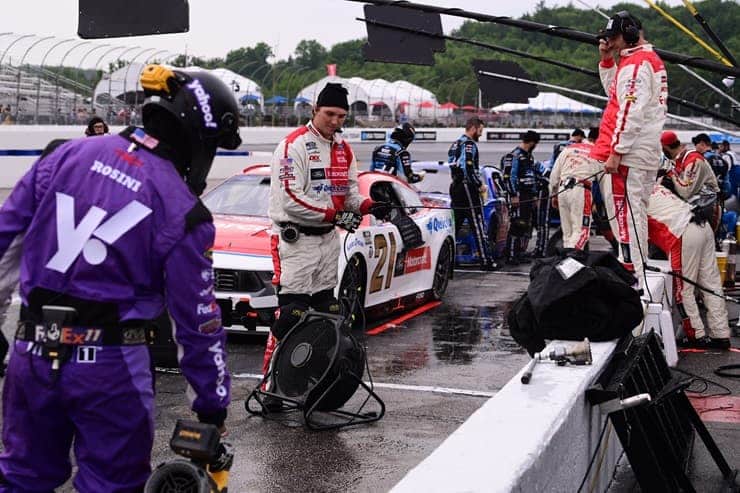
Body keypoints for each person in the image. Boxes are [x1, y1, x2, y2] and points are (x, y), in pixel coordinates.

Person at [0, 64, 239, 491]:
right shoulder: (184, 209)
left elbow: (5, 238)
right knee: (113, 485)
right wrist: (212, 408)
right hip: (109, 365)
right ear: (198, 135)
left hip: (31, 352)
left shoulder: (64, 154)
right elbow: (199, 324)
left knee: (20, 479)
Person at [262, 82, 391, 387]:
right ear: (315, 110)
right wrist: (335, 214)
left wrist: (371, 205)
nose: (335, 121)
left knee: (326, 314)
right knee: (292, 315)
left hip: (328, 241)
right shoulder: (292, 145)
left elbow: (348, 196)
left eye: (342, 116)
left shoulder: (344, 149)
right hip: (296, 242)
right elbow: (291, 200)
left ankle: (308, 385)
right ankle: (269, 387)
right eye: (330, 113)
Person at [590, 10, 668, 289]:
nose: (610, 41)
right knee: (636, 211)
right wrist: (606, 59)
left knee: (629, 213)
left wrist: (616, 151)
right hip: (643, 149)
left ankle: (635, 273)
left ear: (630, 34)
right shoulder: (642, 61)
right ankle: (639, 264)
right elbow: (615, 93)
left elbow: (629, 111)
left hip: (632, 151)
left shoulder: (636, 65)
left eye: (613, 37)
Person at [648, 180, 731, 349]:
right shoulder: (654, 185)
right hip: (701, 225)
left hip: (683, 234)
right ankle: (721, 334)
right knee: (712, 285)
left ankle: (696, 336)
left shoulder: (631, 194)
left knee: (683, 290)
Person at [448, 117, 494, 268]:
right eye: (480, 130)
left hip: (455, 187)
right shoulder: (469, 144)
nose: (480, 134)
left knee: (456, 225)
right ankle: (486, 261)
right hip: (467, 187)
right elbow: (467, 168)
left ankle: (450, 261)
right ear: (473, 128)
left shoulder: (455, 144)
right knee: (477, 224)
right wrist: (479, 184)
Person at [549, 128, 601, 250]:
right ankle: (573, 263)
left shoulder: (569, 148)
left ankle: (566, 264)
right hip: (581, 190)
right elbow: (603, 179)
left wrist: (554, 194)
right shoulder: (598, 152)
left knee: (567, 233)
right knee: (581, 230)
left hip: (563, 189)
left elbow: (554, 175)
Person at [502, 130, 540, 264]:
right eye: (536, 143)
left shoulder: (529, 157)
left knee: (525, 225)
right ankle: (511, 254)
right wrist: (513, 195)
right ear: (532, 142)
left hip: (528, 195)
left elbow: (532, 177)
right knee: (517, 224)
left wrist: (535, 195)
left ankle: (519, 252)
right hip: (518, 195)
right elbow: (508, 178)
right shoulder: (514, 156)